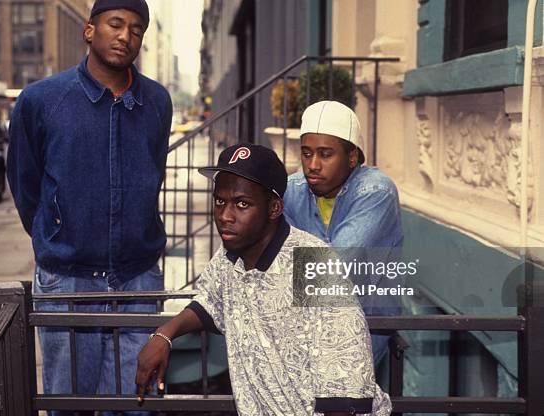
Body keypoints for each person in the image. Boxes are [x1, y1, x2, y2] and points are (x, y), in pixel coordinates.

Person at [135, 144, 392, 416]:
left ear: (274, 208)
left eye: (242, 204)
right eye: (220, 201)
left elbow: (346, 389)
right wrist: (164, 334)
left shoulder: (312, 264)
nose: (225, 216)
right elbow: (210, 302)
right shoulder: (229, 256)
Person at [6, 0, 171, 414]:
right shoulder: (41, 100)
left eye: (136, 29)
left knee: (135, 403)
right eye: (115, 24)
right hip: (69, 281)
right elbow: (26, 185)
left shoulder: (156, 102)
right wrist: (57, 234)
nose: (125, 36)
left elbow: (154, 171)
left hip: (138, 280)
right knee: (69, 405)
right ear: (89, 30)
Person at [283, 100, 404, 365]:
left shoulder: (376, 192)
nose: (312, 165)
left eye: (325, 154)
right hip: (302, 337)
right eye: (306, 153)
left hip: (361, 338)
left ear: (352, 157)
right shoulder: (292, 190)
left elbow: (333, 270)